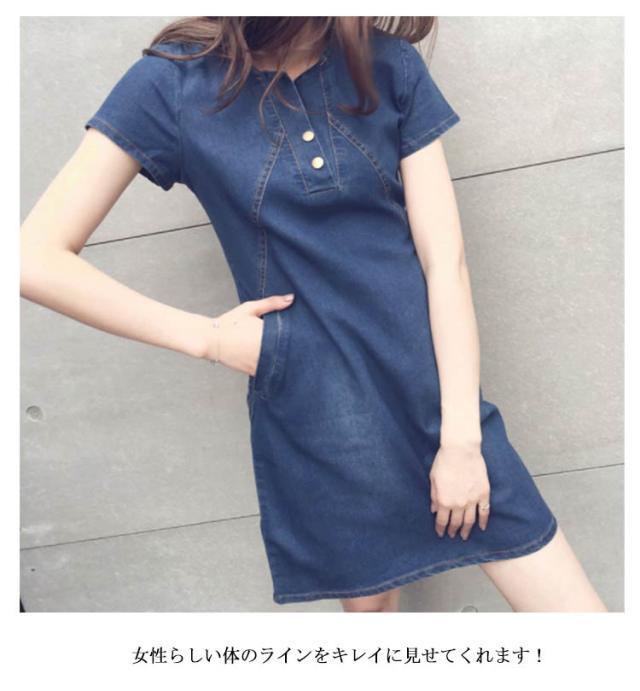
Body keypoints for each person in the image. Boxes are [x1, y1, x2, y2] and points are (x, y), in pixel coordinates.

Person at [20, 16, 607, 612]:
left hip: (435, 395)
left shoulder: (388, 65)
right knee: (372, 616)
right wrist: (209, 339)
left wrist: (461, 439)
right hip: (322, 409)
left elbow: (445, 263)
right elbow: (31, 259)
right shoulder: (174, 83)